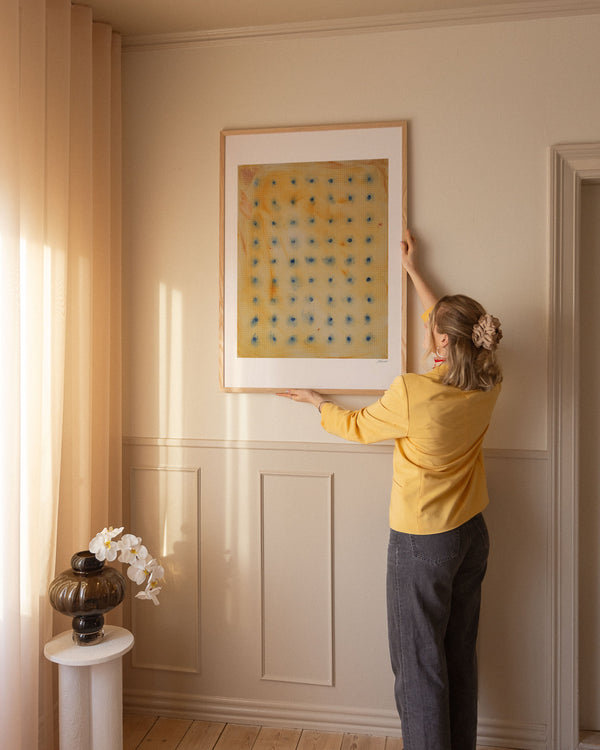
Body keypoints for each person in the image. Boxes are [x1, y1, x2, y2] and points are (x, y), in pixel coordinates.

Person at [277, 229, 503, 750]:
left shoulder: (413, 392)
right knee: (458, 655)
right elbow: (451, 330)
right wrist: (413, 271)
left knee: (418, 667)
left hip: (423, 543)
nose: (427, 332)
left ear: (442, 341)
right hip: (471, 535)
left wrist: (317, 403)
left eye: (433, 331)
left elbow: (357, 425)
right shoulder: (489, 381)